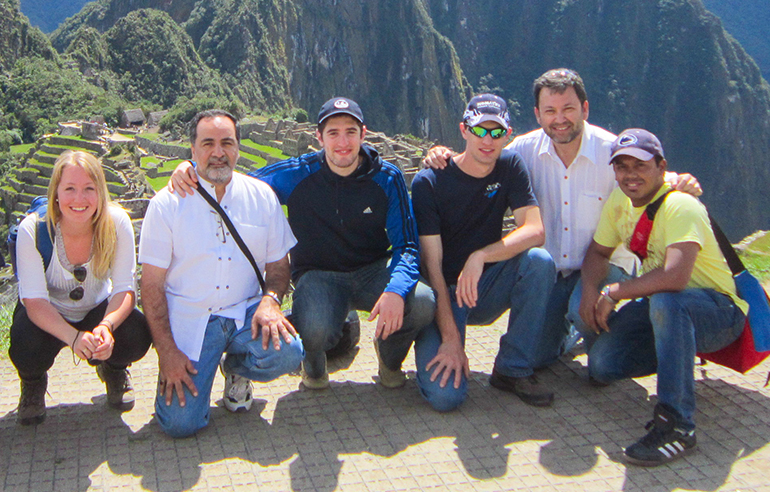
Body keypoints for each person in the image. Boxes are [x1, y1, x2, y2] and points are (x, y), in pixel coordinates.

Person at [424, 69, 701, 367]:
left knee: (600, 357)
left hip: (603, 269)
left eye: (568, 109)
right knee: (540, 357)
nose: (560, 119)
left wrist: (680, 181)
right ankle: (574, 335)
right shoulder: (522, 152)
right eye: (550, 111)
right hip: (553, 275)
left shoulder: (611, 152)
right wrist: (439, 154)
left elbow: (648, 175)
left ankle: (622, 332)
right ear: (538, 114)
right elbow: (482, 154)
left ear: (585, 108)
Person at [170, 98, 435, 390]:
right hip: (319, 275)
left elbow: (407, 246)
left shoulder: (387, 178)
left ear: (363, 134)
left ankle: (389, 358)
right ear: (319, 138)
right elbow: (237, 183)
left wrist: (396, 291)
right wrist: (190, 166)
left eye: (350, 131)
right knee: (315, 325)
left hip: (374, 271)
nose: (343, 142)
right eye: (333, 133)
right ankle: (313, 364)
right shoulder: (297, 175)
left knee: (422, 301)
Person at [580, 129, 746, 466]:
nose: (630, 175)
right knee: (602, 365)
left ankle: (678, 424)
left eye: (640, 165)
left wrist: (614, 292)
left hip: (718, 312)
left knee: (669, 301)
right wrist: (589, 293)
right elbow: (598, 252)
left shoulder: (681, 206)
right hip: (663, 308)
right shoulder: (620, 203)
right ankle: (677, 360)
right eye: (622, 166)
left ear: (661, 166)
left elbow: (674, 277)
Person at [139, 110, 304, 438]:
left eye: (227, 143)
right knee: (179, 424)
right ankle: (196, 368)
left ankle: (235, 368)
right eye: (208, 143)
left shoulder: (261, 197)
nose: (218, 152)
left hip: (246, 313)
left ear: (238, 148)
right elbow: (151, 285)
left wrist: (271, 300)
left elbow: (279, 263)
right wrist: (167, 353)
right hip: (193, 321)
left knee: (289, 353)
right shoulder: (167, 205)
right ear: (193, 149)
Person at [411, 94, 556, 412]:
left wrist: (480, 257)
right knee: (446, 397)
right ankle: (407, 346)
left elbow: (535, 230)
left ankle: (512, 368)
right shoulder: (430, 182)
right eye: (479, 131)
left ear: (508, 135)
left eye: (496, 132)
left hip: (483, 286)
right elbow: (432, 266)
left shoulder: (509, 166)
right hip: (443, 294)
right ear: (464, 130)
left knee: (538, 262)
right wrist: (450, 338)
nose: (487, 141)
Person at [10, 150, 151, 425]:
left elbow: (125, 289)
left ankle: (114, 369)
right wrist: (73, 338)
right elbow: (35, 303)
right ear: (56, 194)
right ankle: (33, 382)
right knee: (24, 345)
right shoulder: (34, 230)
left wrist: (106, 327)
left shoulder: (116, 222)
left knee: (135, 334)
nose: (79, 199)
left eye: (89, 189)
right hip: (49, 313)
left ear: (100, 192)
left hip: (98, 307)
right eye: (70, 189)